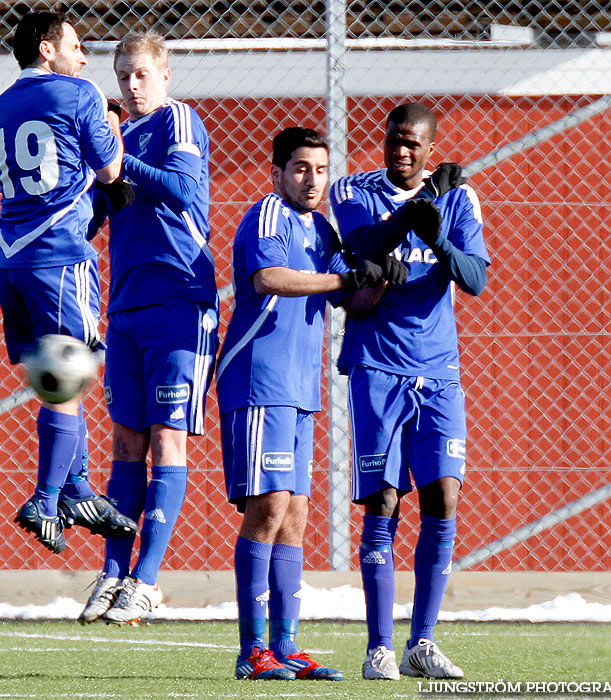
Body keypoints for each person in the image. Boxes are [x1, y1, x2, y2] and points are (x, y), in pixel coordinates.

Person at [217, 127, 408, 681]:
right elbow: (271, 277)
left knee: (296, 516)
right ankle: (252, 651)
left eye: (321, 170)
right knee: (269, 509)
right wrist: (344, 275)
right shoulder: (267, 216)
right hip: (259, 382)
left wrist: (380, 280)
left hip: (301, 391)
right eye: (300, 168)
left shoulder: (322, 228)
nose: (312, 180)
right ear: (276, 173)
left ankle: (286, 645)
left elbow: (351, 298)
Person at [330, 102, 489, 680]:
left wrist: (440, 236)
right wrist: (417, 214)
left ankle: (423, 641)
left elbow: (474, 279)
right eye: (394, 140)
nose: (401, 151)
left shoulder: (460, 198)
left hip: (440, 374)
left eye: (413, 144)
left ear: (429, 148)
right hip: (378, 369)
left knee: (443, 499)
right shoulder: (353, 191)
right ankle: (379, 647)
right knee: (384, 503)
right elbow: (364, 250)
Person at [79, 31, 219, 625]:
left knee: (167, 440)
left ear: (165, 75)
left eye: (142, 74)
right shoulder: (117, 143)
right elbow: (95, 217)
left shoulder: (177, 120)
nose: (132, 86)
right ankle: (112, 575)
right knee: (126, 443)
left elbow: (184, 188)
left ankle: (147, 578)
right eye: (124, 76)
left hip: (180, 299)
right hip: (128, 304)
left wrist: (115, 155)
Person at [0, 11, 137, 555]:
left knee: (55, 381)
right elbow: (111, 171)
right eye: (76, 45)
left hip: (11, 256)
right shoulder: (78, 92)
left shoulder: (2, 103)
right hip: (59, 256)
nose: (83, 55)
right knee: (70, 375)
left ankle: (76, 488)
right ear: (47, 49)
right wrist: (113, 121)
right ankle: (47, 497)